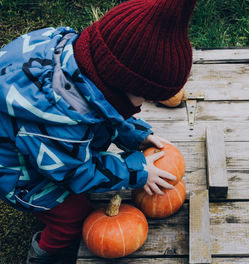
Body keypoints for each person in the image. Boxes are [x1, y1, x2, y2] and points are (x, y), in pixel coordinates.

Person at [0, 0, 197, 263]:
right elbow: (76, 172)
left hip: (39, 140)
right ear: (119, 84)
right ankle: (43, 255)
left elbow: (104, 108)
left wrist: (134, 135)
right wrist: (136, 171)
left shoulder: (81, 66)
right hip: (20, 171)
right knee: (73, 216)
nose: (143, 106)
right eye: (144, 99)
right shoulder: (59, 123)